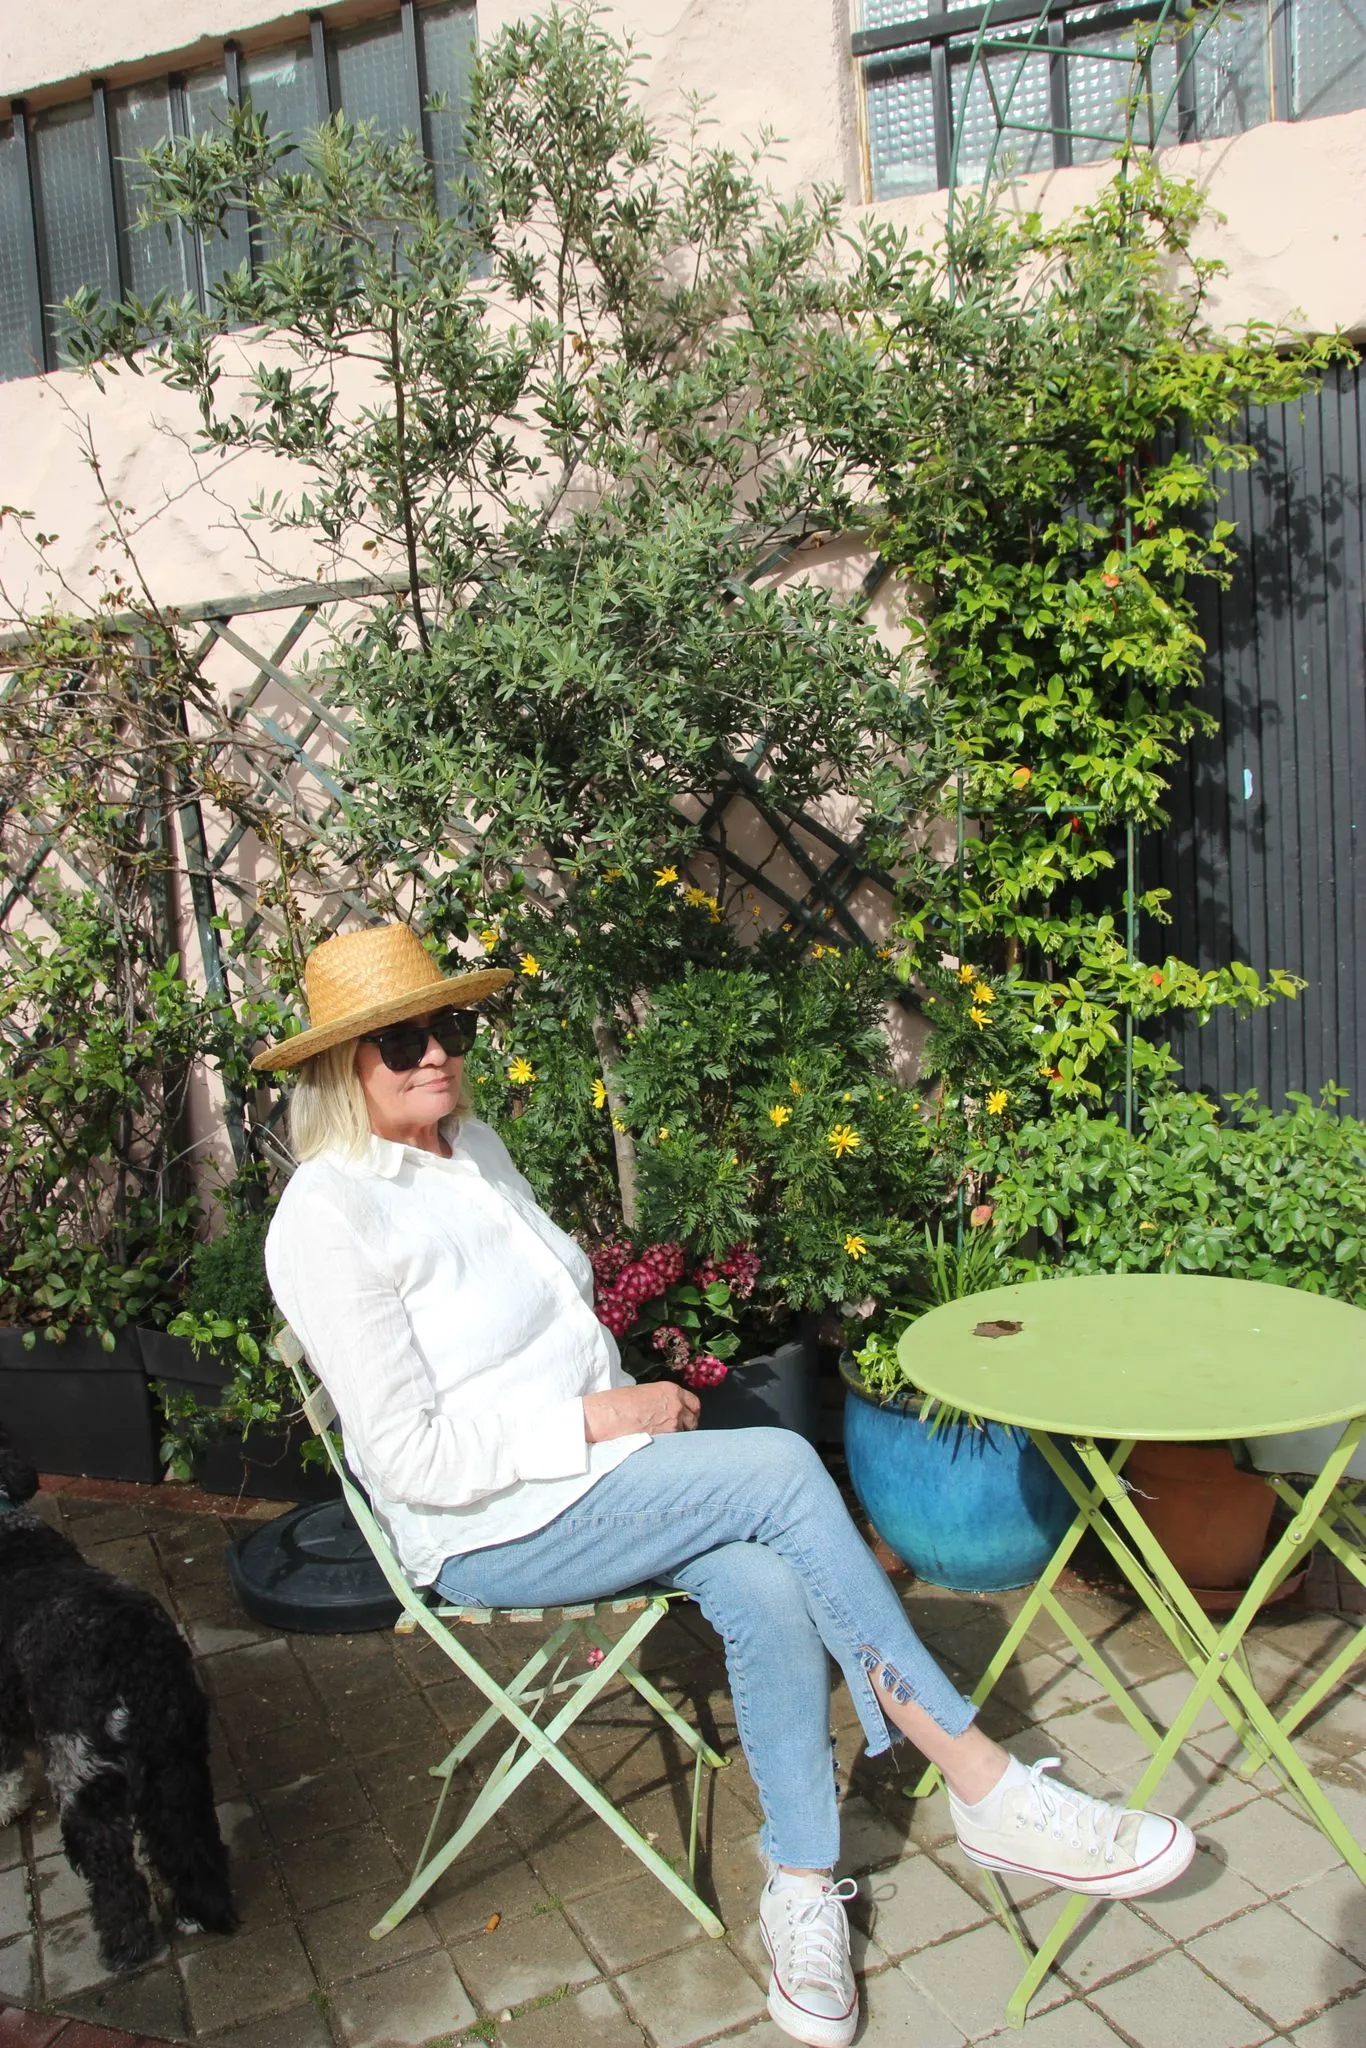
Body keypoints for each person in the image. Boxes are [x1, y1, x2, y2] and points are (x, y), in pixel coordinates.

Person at [255, 923, 1195, 2048]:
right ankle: (980, 1773)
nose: (434, 1055)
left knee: (763, 1579)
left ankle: (801, 1884)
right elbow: (407, 1455)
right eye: (397, 1039)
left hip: (603, 1474)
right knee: (787, 1464)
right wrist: (606, 1412)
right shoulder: (330, 1212)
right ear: (336, 1067)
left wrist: (618, 1411)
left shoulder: (475, 1145)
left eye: (448, 1024)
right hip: (491, 1523)